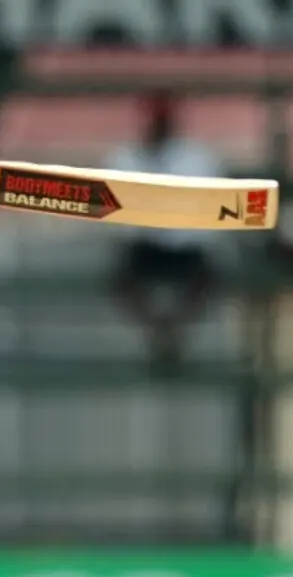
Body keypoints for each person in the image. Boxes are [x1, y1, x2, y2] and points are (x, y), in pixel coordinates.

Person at [105, 90, 225, 375]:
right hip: (145, 245)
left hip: (184, 245)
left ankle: (170, 333)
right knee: (122, 279)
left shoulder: (195, 157)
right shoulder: (127, 155)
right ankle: (163, 332)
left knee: (206, 278)